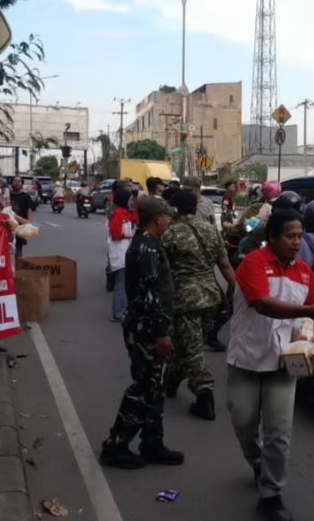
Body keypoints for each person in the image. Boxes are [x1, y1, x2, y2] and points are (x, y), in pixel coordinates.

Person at [227, 209, 314, 521]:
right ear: (272, 237)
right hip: (247, 359)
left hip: (284, 365)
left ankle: (271, 494)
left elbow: (310, 313)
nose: (297, 242)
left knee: (279, 432)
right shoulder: (253, 264)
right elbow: (261, 304)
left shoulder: (305, 272)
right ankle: (258, 463)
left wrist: (312, 338)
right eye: (290, 236)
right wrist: (312, 313)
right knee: (244, 422)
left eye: (300, 236)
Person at [100, 197, 184, 469]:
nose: (169, 220)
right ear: (158, 218)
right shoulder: (146, 247)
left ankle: (152, 443)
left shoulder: (149, 243)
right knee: (145, 388)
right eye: (167, 216)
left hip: (150, 326)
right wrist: (161, 332)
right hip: (147, 329)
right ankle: (116, 445)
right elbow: (150, 294)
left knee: (156, 386)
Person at [161, 190, 236, 420]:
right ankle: (171, 382)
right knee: (191, 344)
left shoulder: (169, 233)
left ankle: (205, 396)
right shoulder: (210, 230)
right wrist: (238, 291)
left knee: (192, 348)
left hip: (185, 300)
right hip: (211, 297)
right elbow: (224, 265)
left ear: (174, 208)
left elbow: (160, 271)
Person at [107, 189, 135, 322]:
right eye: (129, 199)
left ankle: (123, 309)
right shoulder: (118, 214)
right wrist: (132, 236)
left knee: (125, 283)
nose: (131, 202)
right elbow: (116, 234)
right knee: (121, 284)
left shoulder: (126, 213)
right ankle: (118, 312)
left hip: (125, 252)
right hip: (120, 253)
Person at [8, 176, 34, 269]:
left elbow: (29, 210)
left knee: (19, 250)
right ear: (11, 182)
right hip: (7, 226)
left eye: (19, 181)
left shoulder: (26, 197)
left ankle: (19, 272)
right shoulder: (7, 195)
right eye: (15, 181)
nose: (17, 183)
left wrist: (29, 222)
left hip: (20, 227)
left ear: (22, 183)